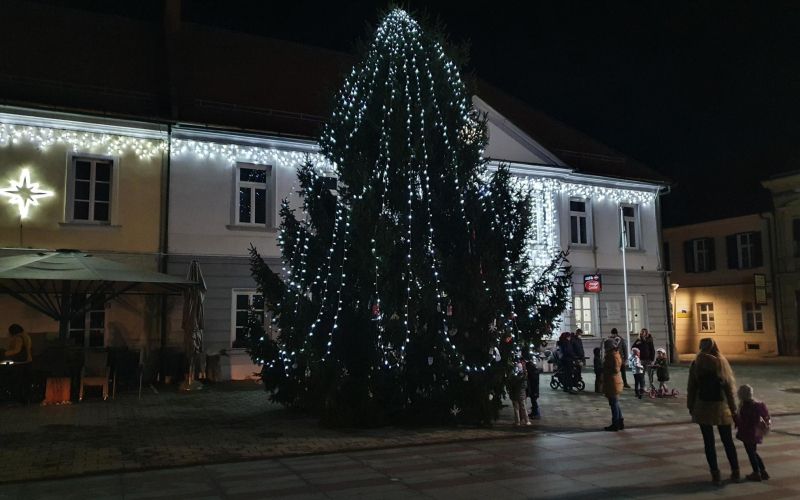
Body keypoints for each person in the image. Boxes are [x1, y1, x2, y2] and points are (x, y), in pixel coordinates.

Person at [687, 338, 740, 485]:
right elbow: (729, 389)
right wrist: (734, 409)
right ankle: (735, 470)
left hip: (702, 406)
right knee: (727, 441)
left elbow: (691, 387)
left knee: (708, 442)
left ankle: (715, 473)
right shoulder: (721, 362)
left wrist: (690, 405)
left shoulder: (696, 363)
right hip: (721, 406)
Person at [735, 384, 770, 482]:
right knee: (754, 452)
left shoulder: (745, 407)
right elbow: (765, 417)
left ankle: (756, 472)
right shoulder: (759, 405)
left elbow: (743, 422)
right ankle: (763, 471)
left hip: (747, 433)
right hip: (757, 432)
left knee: (751, 453)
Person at [602, 338, 624, 431]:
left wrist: (605, 369)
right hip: (615, 381)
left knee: (613, 403)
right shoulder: (616, 353)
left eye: (605, 346)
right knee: (615, 403)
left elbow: (615, 369)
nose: (604, 348)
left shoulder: (611, 355)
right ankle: (620, 422)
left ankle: (615, 424)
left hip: (612, 381)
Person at [508, 355, 530, 426]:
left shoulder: (512, 376)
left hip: (514, 394)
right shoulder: (523, 377)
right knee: (523, 408)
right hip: (521, 394)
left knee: (516, 409)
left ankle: (517, 422)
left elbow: (510, 384)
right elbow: (525, 386)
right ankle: (527, 421)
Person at [525, 353, 541, 420]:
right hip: (534, 388)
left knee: (534, 401)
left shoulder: (532, 372)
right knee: (533, 401)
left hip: (534, 389)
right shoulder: (534, 370)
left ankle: (536, 414)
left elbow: (533, 381)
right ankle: (534, 413)